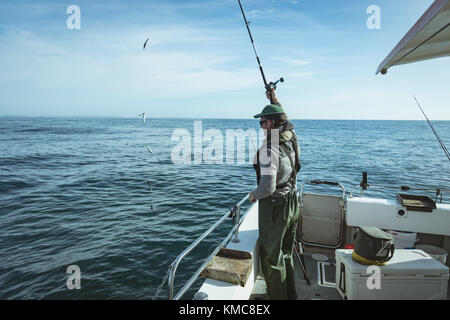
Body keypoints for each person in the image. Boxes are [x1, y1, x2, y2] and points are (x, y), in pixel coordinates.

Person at [249, 88, 301, 300]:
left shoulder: (270, 150)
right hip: (292, 203)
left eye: (262, 123)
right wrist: (274, 99)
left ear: (271, 124)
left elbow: (267, 188)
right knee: (286, 253)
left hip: (275, 208)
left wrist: (253, 195)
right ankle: (291, 296)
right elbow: (285, 120)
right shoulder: (291, 137)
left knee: (271, 259)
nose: (261, 127)